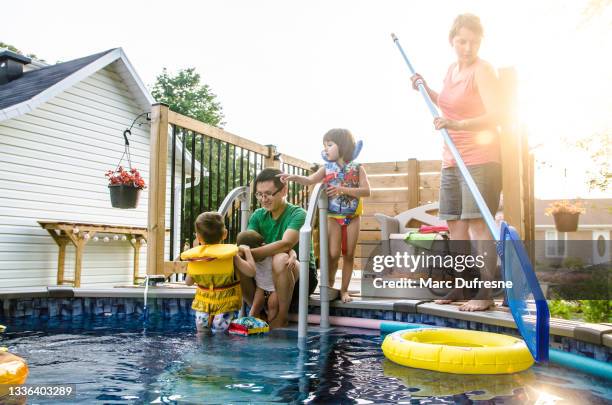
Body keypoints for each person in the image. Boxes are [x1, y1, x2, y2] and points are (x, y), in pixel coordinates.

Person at [410, 13, 502, 312]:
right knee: (456, 227)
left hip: (480, 159)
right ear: (452, 40)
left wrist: (457, 125)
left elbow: (495, 115)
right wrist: (426, 89)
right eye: (462, 40)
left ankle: (485, 293)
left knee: (477, 227)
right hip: (451, 159)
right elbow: (450, 104)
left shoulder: (483, 70)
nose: (468, 47)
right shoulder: (451, 70)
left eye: (474, 41)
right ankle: (462, 286)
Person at [279, 129, 371, 303]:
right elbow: (310, 180)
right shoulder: (326, 168)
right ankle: (328, 287)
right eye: (324, 145)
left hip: (353, 217)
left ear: (342, 146)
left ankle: (344, 291)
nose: (326, 149)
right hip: (333, 217)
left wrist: (342, 189)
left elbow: (367, 191)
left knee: (349, 254)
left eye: (329, 145)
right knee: (333, 254)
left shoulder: (358, 168)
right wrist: (293, 177)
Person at [241, 168, 318, 328]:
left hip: (299, 279)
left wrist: (248, 253)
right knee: (237, 261)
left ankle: (281, 317)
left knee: (280, 259)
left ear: (284, 190)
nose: (263, 199)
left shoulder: (298, 214)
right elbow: (247, 241)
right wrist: (241, 254)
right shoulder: (257, 216)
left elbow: (286, 244)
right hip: (264, 279)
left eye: (268, 194)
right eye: (259, 194)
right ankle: (258, 313)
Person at [181, 212, 256, 333]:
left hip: (203, 306)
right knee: (222, 338)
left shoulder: (197, 259)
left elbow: (188, 282)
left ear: (198, 238)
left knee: (202, 335)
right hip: (225, 305)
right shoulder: (230, 256)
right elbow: (251, 272)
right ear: (224, 234)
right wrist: (247, 251)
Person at [236, 230, 278, 321]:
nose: (253, 259)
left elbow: (289, 250)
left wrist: (292, 257)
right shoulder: (250, 257)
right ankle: (253, 326)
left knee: (272, 307)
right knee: (254, 309)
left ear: (262, 246)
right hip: (261, 287)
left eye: (254, 255)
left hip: (275, 288)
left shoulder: (270, 252)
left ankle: (270, 328)